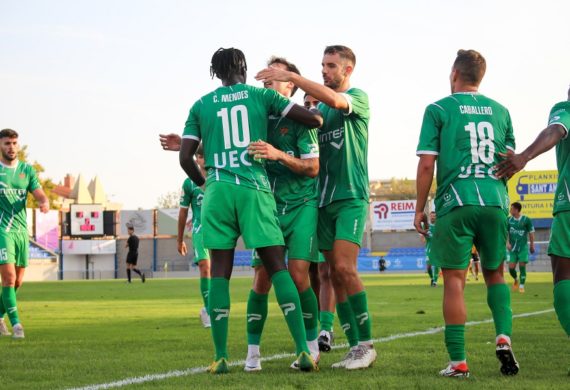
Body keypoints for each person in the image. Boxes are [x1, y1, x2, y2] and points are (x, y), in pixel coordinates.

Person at [179, 47, 323, 374]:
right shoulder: (261, 96)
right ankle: (303, 349)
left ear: (214, 73)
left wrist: (206, 184)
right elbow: (313, 119)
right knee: (277, 267)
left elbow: (186, 157)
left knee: (219, 273)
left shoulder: (200, 105)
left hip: (217, 190)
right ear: (243, 68)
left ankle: (220, 357)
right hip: (254, 189)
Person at [256, 45, 376, 370]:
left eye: (331, 65)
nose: (325, 70)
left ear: (348, 70)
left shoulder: (356, 99)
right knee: (329, 273)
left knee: (344, 268)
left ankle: (365, 344)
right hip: (320, 201)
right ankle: (340, 343)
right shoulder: (316, 112)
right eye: (322, 65)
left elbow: (336, 100)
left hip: (350, 196)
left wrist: (291, 77)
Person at [414, 50, 519, 378]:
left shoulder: (438, 109)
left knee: (455, 281)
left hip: (456, 200)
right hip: (495, 201)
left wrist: (421, 206)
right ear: (481, 77)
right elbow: (510, 162)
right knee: (495, 274)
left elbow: (427, 162)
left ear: (454, 73)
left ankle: (459, 361)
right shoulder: (501, 112)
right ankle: (502, 336)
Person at [244, 56, 321, 371]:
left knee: (300, 274)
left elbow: (313, 168)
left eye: (273, 79)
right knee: (261, 279)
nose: (266, 85)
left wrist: (277, 155)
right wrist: (191, 146)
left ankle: (311, 347)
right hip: (267, 208)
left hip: (302, 206)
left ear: (290, 85)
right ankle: (252, 354)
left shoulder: (303, 122)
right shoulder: (257, 118)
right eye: (264, 80)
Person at [495, 86, 570, 343]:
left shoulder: (565, 109)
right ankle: (520, 282)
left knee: (564, 280)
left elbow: (556, 130)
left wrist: (524, 157)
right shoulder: (513, 219)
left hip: (569, 207)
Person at [0, 128, 49, 339]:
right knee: (9, 278)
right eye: (7, 144)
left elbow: (38, 193)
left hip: (21, 232)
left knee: (18, 282)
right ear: (0, 146)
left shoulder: (26, 170)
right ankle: (17, 325)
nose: (11, 147)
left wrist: (44, 201)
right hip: (3, 230)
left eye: (14, 143)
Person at [303, 91, 336, 352]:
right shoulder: (300, 130)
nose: (312, 108)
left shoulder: (331, 131)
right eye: (306, 104)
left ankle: (326, 329)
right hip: (303, 206)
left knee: (327, 271)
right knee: (310, 271)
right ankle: (314, 329)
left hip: (328, 203)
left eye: (316, 103)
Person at [178, 144, 210, 327]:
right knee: (205, 267)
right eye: (200, 157)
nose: (203, 160)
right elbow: (183, 212)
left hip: (219, 230)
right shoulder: (189, 182)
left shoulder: (217, 178)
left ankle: (212, 308)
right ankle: (208, 310)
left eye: (206, 156)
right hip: (199, 230)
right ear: (196, 159)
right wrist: (180, 239)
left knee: (218, 273)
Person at [507, 202, 535, 293]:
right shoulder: (508, 220)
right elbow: (505, 233)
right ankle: (516, 279)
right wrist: (507, 243)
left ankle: (522, 286)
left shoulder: (526, 220)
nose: (510, 210)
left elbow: (531, 233)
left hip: (522, 248)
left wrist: (532, 245)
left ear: (516, 210)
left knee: (522, 266)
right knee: (511, 268)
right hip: (512, 249)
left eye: (511, 209)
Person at [421, 211, 440, 287]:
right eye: (432, 216)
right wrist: (424, 237)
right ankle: (432, 278)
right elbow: (422, 235)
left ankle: (435, 282)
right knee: (428, 267)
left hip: (438, 248)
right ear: (429, 217)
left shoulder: (439, 226)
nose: (433, 217)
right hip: (429, 248)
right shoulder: (426, 226)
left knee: (436, 265)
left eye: (434, 216)